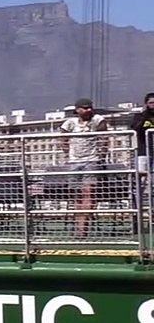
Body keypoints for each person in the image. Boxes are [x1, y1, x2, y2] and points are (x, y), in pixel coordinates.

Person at [59, 97, 109, 237]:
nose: (89, 110)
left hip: (92, 160)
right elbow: (62, 137)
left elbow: (105, 138)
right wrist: (67, 153)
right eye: (85, 107)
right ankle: (79, 225)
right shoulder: (70, 122)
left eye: (90, 107)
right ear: (77, 110)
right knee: (77, 195)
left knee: (89, 191)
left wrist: (101, 155)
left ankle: (82, 227)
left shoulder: (98, 119)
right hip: (74, 161)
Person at [131, 92, 154, 174]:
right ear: (146, 104)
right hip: (143, 151)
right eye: (151, 103)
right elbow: (136, 127)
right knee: (142, 175)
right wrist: (145, 116)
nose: (153, 105)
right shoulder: (139, 116)